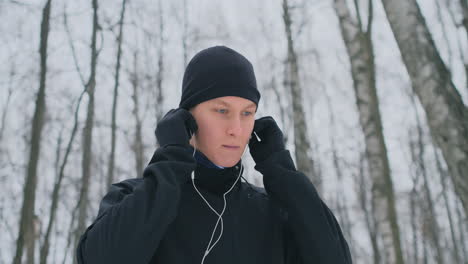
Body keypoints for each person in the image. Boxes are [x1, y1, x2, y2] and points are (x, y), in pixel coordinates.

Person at [76, 46, 352, 264]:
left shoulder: (273, 210)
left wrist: (281, 172)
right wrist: (171, 159)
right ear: (187, 118)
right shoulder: (138, 198)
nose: (236, 129)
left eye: (247, 113)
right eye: (222, 111)